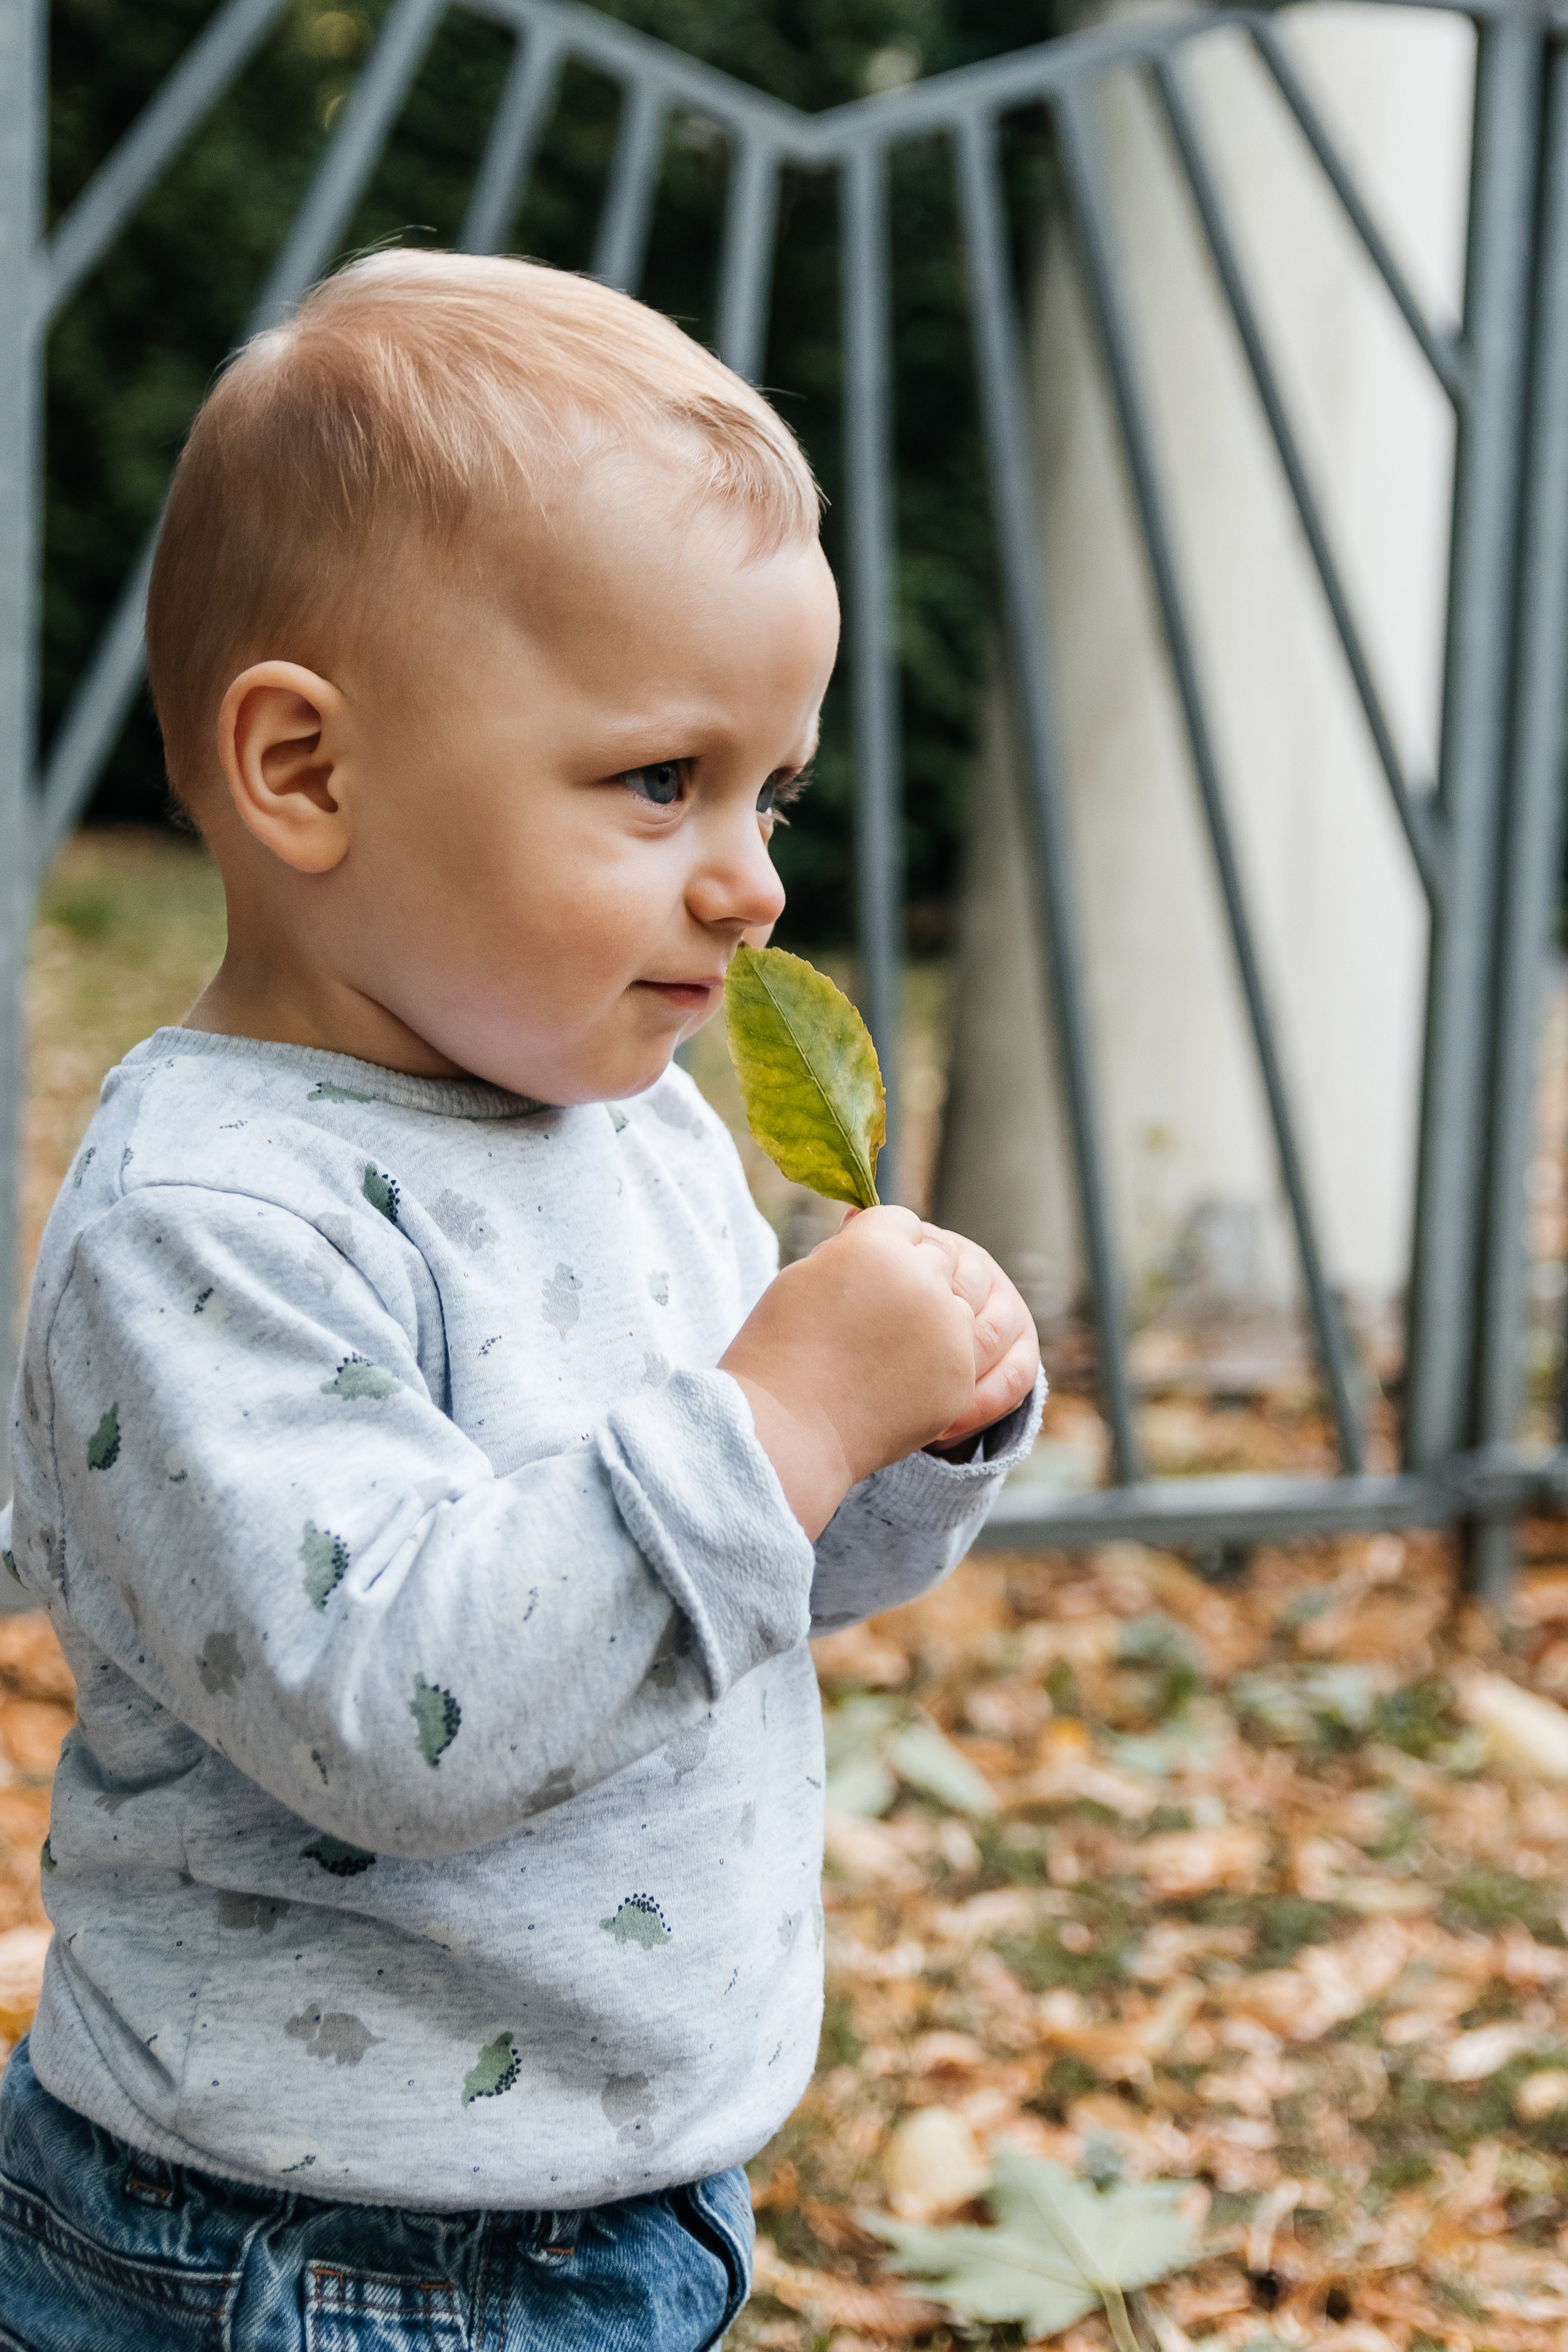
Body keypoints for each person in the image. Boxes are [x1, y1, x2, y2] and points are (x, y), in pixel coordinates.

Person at [0, 252, 1041, 2349]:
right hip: (310, 2247)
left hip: (609, 2182)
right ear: (305, 771)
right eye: (661, 782)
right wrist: (782, 1415)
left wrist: (908, 1442)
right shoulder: (210, 1224)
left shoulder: (629, 1126)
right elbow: (405, 1710)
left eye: (774, 792)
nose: (748, 874)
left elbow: (715, 1592)